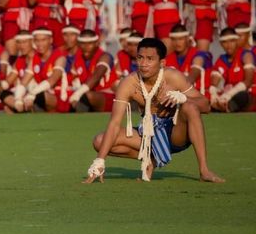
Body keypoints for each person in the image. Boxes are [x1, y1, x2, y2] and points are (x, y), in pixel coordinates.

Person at [84, 38, 224, 183]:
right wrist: (99, 160)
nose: (143, 64)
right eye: (140, 58)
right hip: (149, 133)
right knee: (100, 141)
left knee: (190, 107)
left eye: (150, 59)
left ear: (162, 62)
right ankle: (151, 157)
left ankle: (204, 170)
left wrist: (183, 98)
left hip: (177, 134)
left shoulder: (173, 77)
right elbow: (114, 123)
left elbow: (206, 106)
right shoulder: (128, 83)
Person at [69, 29, 116, 112]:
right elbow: (73, 80)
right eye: (83, 43)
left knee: (87, 95)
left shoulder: (105, 56)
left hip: (107, 96)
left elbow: (96, 77)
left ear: (96, 43)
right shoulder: (76, 59)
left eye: (90, 43)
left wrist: (77, 94)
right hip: (85, 94)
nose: (86, 47)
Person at [21, 28, 67, 112]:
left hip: (59, 97)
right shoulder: (35, 58)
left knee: (39, 97)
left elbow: (52, 80)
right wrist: (18, 100)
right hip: (39, 93)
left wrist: (32, 94)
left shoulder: (60, 57)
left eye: (43, 40)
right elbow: (24, 82)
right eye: (37, 40)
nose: (40, 44)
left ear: (51, 40)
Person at [209, 27, 254, 113]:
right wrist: (214, 96)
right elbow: (214, 82)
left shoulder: (246, 55)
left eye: (232, 41)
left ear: (237, 41)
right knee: (208, 95)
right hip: (227, 95)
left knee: (243, 96)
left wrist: (228, 95)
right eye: (225, 42)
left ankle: (224, 108)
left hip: (246, 94)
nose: (228, 45)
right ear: (221, 44)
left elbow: (248, 81)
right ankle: (221, 106)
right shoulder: (221, 59)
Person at [164, 24, 213, 98]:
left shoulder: (199, 55)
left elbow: (193, 75)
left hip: (199, 97)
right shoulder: (168, 58)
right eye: (174, 39)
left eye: (180, 39)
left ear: (187, 38)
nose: (177, 43)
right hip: (178, 97)